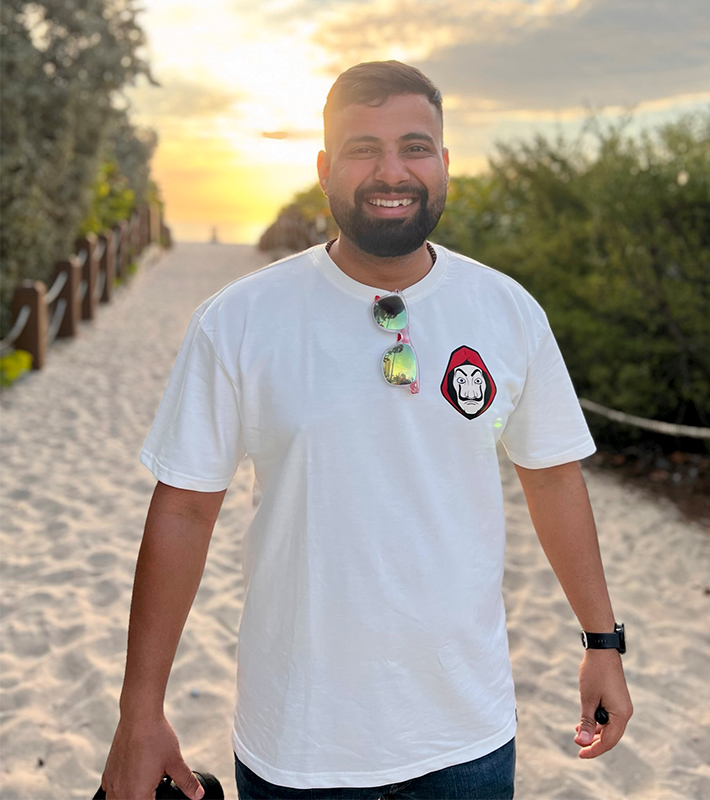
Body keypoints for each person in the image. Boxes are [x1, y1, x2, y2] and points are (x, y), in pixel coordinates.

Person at [101, 60, 633, 800]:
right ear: (324, 169)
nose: (392, 171)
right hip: (300, 741)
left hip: (468, 737)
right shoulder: (239, 320)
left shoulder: (509, 311)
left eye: (415, 147)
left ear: (445, 164)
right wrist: (139, 710)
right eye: (362, 149)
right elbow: (186, 510)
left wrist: (603, 642)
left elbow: (552, 476)